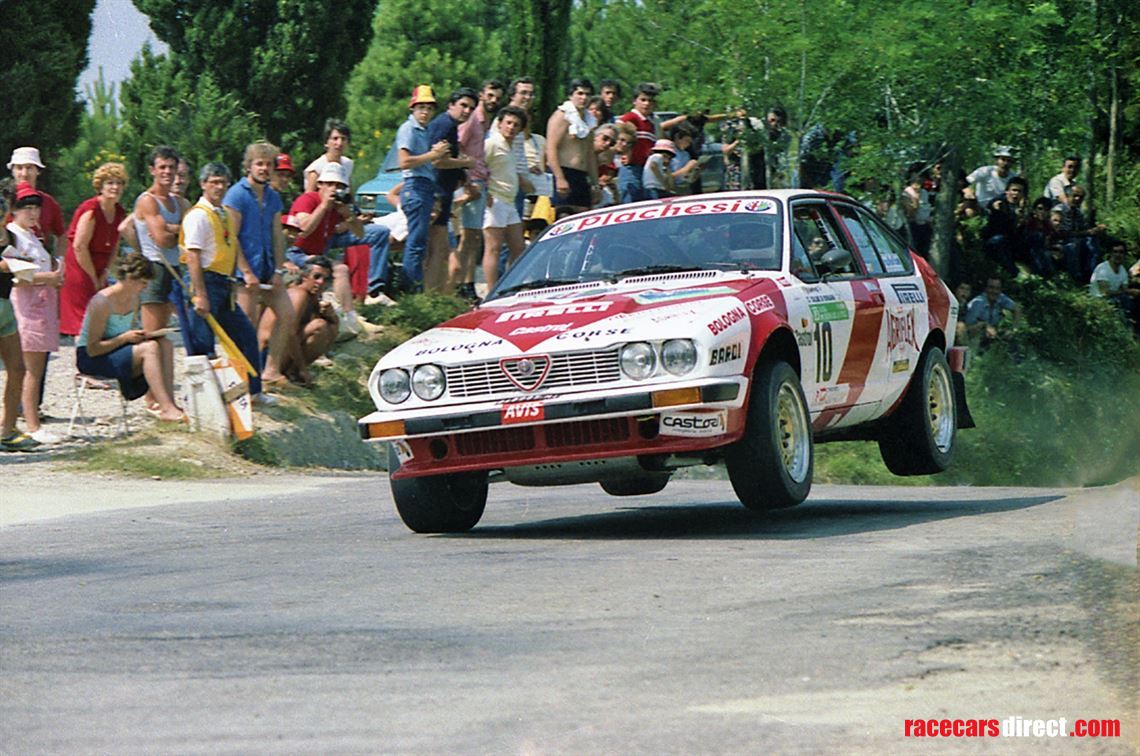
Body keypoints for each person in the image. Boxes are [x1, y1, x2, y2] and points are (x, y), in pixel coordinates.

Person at [178, 161, 266, 401]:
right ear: (203, 184)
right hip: (205, 280)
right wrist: (200, 294)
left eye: (223, 183)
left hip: (224, 283)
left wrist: (241, 274)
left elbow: (232, 244)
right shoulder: (198, 215)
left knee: (245, 336)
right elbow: (193, 256)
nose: (219, 187)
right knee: (203, 345)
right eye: (214, 182)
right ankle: (204, 401)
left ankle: (253, 391)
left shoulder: (223, 213)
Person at [76, 253, 184, 422]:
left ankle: (168, 403)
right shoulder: (102, 302)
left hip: (116, 350)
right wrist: (125, 338)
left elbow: (124, 335)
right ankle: (165, 407)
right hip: (92, 358)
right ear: (129, 278)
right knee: (150, 349)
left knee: (164, 344)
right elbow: (92, 349)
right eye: (142, 282)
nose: (145, 287)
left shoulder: (134, 299)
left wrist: (138, 336)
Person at [223, 142, 295, 386]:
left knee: (287, 314)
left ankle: (270, 370)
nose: (264, 169)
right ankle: (240, 380)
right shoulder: (236, 194)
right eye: (259, 164)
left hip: (267, 267)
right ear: (249, 166)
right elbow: (231, 237)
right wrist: (245, 271)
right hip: (243, 272)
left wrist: (278, 269)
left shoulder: (273, 197)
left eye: (268, 164)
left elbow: (277, 235)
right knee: (246, 326)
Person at [288, 163, 388, 331]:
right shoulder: (308, 199)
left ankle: (353, 315)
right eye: (330, 184)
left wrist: (348, 215)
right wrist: (323, 207)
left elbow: (360, 234)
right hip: (296, 252)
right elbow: (303, 230)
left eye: (339, 185)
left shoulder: (337, 207)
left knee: (378, 233)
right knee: (340, 269)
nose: (334, 189)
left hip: (319, 252)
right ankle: (351, 318)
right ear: (320, 184)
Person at [3, 183, 62, 443]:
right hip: (24, 307)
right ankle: (31, 425)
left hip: (36, 306)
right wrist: (48, 277)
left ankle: (12, 425)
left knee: (28, 369)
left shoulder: (29, 236)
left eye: (36, 207)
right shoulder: (13, 235)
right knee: (28, 370)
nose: (32, 212)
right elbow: (14, 275)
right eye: (25, 207)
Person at [60, 162, 128, 337]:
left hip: (101, 267)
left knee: (101, 315)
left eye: (119, 183)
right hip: (81, 267)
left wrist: (105, 272)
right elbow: (79, 246)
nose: (115, 187)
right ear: (100, 186)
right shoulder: (91, 210)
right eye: (110, 183)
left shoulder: (119, 212)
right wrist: (92, 277)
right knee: (83, 321)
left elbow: (115, 245)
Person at [396, 85, 451, 292]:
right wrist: (433, 155)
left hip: (424, 186)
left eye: (429, 108)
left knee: (419, 241)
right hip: (416, 186)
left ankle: (413, 287)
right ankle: (410, 290)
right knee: (416, 242)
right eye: (421, 107)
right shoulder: (408, 129)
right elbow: (404, 162)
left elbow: (430, 161)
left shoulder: (424, 131)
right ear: (412, 108)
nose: (425, 112)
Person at [452, 79, 503, 302]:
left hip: (480, 179)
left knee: (473, 237)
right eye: (490, 95)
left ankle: (468, 283)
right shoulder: (473, 118)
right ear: (482, 94)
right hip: (471, 179)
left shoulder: (485, 120)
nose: (493, 100)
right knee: (467, 236)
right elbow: (458, 146)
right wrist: (466, 181)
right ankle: (458, 283)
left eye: (497, 98)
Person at [133, 146, 190, 343]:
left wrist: (172, 228)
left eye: (171, 167)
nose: (167, 172)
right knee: (152, 334)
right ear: (152, 170)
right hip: (154, 266)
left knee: (166, 333)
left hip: (175, 267)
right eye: (162, 167)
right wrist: (178, 232)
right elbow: (162, 240)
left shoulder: (180, 202)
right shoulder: (148, 201)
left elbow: (193, 235)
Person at [425, 88, 478, 293]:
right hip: (437, 192)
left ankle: (437, 294)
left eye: (471, 108)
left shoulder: (451, 126)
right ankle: (431, 295)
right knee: (437, 250)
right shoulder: (444, 125)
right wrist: (466, 163)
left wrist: (463, 177)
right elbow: (437, 160)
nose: (467, 111)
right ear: (451, 105)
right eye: (463, 105)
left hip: (444, 191)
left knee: (441, 250)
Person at [258, 255, 338, 385]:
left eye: (326, 279)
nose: (321, 282)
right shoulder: (298, 294)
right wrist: (302, 368)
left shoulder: (312, 297)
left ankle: (292, 372)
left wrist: (332, 316)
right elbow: (290, 333)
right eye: (317, 277)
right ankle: (294, 373)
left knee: (330, 326)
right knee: (320, 326)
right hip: (266, 356)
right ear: (305, 276)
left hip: (278, 352)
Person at [0, 212, 38, 451]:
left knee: (18, 369)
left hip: (5, 307)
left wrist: (23, 268)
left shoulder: (11, 236)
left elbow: (18, 274)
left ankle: (7, 429)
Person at [483, 106, 528, 291]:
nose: (511, 127)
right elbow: (477, 167)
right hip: (495, 200)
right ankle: (491, 291)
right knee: (493, 248)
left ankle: (512, 287)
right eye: (508, 123)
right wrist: (485, 193)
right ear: (500, 123)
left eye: (516, 125)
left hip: (509, 201)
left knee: (519, 248)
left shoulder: (511, 147)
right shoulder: (492, 143)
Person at [547, 77, 599, 213]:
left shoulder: (589, 121)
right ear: (571, 95)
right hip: (564, 172)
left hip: (581, 176)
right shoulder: (562, 116)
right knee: (564, 217)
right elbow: (551, 148)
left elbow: (590, 154)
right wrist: (559, 178)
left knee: (583, 219)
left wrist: (595, 184)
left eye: (587, 94)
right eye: (580, 93)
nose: (584, 98)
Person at [6, 147, 66, 258]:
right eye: (19, 168)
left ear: (38, 171)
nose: (24, 174)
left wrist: (58, 260)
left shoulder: (48, 202)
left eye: (29, 168)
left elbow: (61, 234)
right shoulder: (3, 201)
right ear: (12, 171)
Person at [1088, 240, 1137, 327]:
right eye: (1115, 252)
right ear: (1110, 253)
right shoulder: (1102, 269)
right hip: (1100, 301)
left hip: (1116, 299)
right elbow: (1105, 292)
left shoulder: (1122, 270)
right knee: (1125, 300)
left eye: (1121, 252)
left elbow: (1124, 289)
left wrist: (1133, 292)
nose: (1118, 255)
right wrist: (1129, 291)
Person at [964, 276, 1021, 347]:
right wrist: (984, 326)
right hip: (975, 338)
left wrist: (1014, 329)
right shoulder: (977, 303)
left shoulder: (1000, 298)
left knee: (1011, 338)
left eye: (997, 288)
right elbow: (967, 329)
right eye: (991, 287)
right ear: (985, 289)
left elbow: (1017, 309)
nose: (994, 291)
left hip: (993, 335)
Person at [304, 119, 355, 193]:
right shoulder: (316, 169)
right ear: (326, 142)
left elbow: (349, 192)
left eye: (343, 139)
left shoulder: (347, 164)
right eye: (335, 139)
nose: (339, 143)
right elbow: (309, 197)